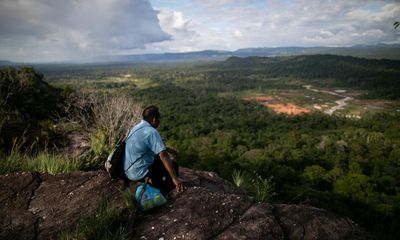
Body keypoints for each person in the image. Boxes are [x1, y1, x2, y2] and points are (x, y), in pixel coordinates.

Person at [124, 105, 184, 194]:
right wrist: (175, 178)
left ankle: (158, 182)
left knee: (157, 159)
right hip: (139, 173)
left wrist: (167, 148)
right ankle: (171, 189)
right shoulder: (151, 132)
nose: (159, 122)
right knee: (173, 165)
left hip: (128, 171)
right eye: (159, 119)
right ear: (154, 119)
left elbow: (147, 144)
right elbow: (163, 155)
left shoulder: (136, 128)